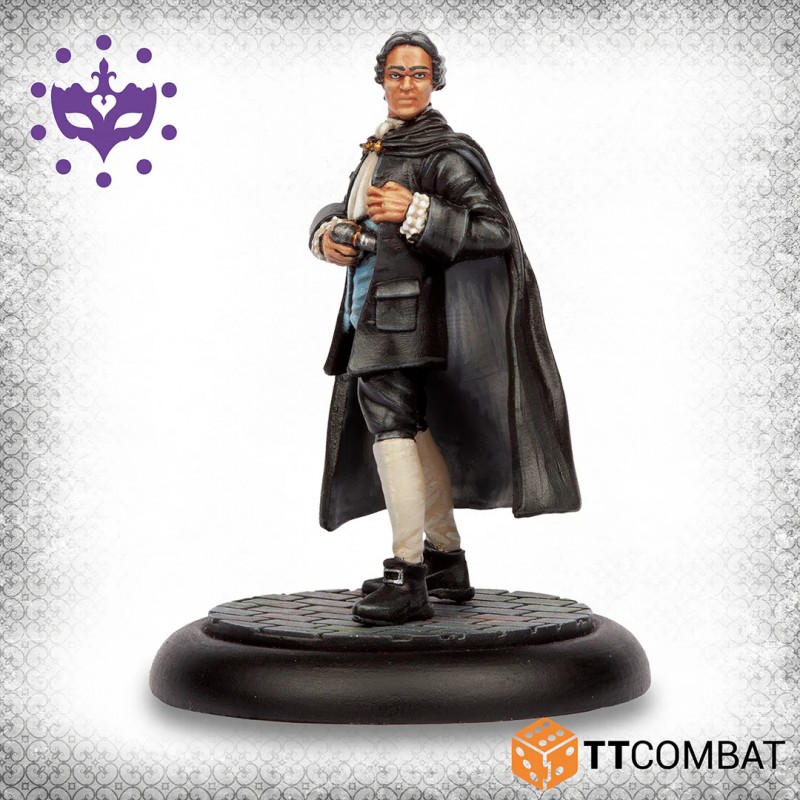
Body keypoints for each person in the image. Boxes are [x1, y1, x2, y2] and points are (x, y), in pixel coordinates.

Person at [309, 31, 581, 626]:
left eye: (419, 74)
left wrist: (417, 211)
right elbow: (349, 208)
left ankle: (407, 574)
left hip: (402, 320)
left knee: (391, 431)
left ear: (435, 82)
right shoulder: (382, 143)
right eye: (396, 74)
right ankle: (444, 562)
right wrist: (328, 232)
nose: (407, 85)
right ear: (381, 79)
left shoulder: (446, 153)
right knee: (409, 426)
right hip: (369, 313)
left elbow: (494, 230)